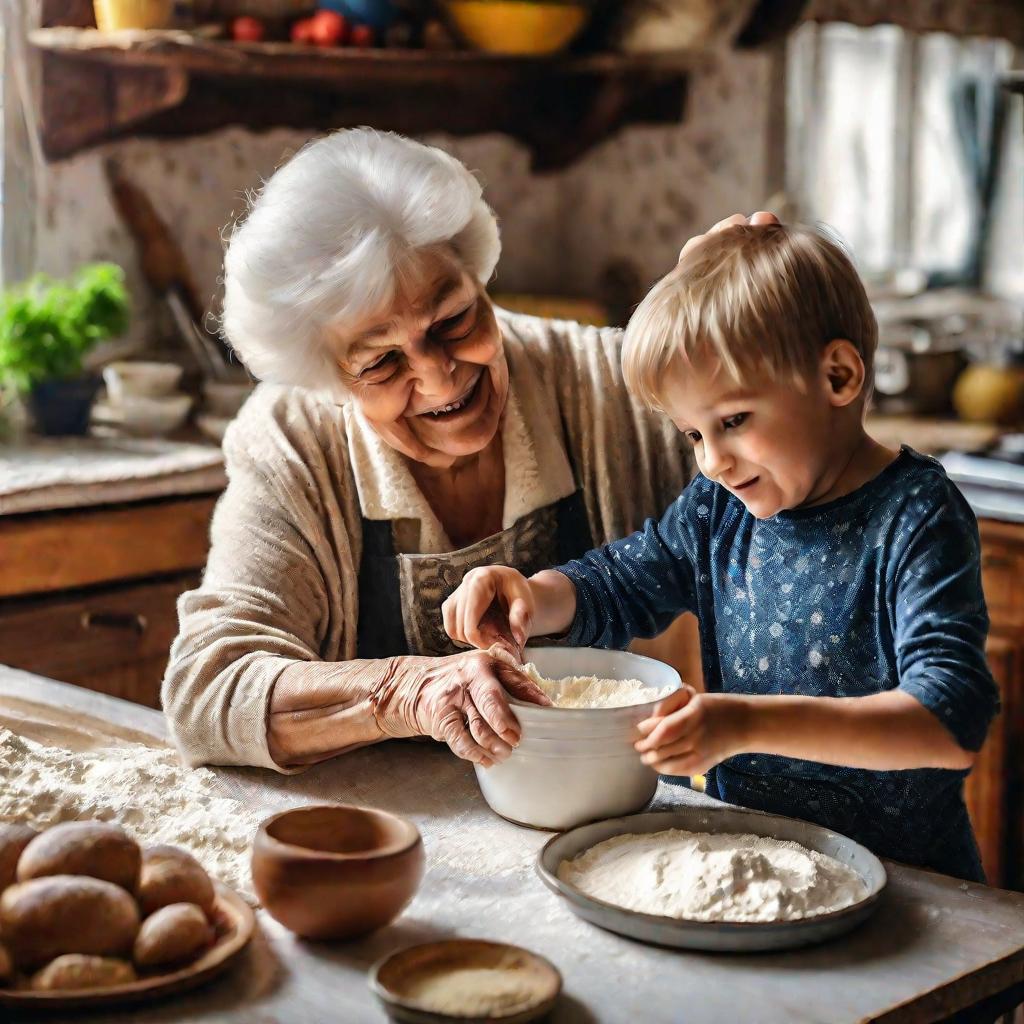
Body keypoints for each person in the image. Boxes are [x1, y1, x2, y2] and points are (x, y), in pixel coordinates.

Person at [443, 220, 999, 880]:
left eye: (733, 421)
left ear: (839, 375)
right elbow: (622, 582)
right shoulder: (722, 510)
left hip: (915, 884)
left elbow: (949, 720)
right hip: (760, 867)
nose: (712, 461)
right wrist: (532, 594)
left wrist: (743, 726)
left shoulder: (915, 515)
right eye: (693, 434)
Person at [161, 127, 692, 773]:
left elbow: (802, 475)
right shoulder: (293, 442)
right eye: (382, 362)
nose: (441, 377)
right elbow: (207, 693)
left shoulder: (608, 384)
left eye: (453, 321)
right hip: (388, 836)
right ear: (329, 378)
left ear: (478, 275)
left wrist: (750, 314)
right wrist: (404, 692)